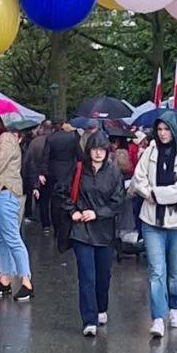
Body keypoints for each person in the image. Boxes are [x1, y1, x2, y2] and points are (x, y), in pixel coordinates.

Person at [131, 111, 177, 339]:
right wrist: (146, 192)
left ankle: (174, 307)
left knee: (175, 271)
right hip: (152, 219)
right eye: (159, 129)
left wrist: (156, 194)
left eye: (167, 129)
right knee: (156, 270)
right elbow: (138, 177)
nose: (163, 133)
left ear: (175, 129)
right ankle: (158, 317)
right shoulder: (150, 150)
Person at [58, 132, 124, 337]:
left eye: (101, 150)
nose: (98, 153)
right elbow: (61, 192)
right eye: (94, 149)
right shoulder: (77, 170)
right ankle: (89, 319)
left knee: (103, 276)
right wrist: (73, 211)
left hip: (104, 230)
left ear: (107, 152)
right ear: (88, 151)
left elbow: (118, 202)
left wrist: (97, 213)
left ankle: (101, 307)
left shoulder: (114, 174)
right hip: (81, 231)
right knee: (86, 275)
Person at [0, 116, 33, 300]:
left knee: (12, 238)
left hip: (4, 193)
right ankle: (5, 279)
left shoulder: (7, 140)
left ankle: (26, 281)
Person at [39, 118, 81, 235]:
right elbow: (79, 155)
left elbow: (45, 156)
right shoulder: (73, 137)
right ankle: (67, 220)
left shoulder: (51, 138)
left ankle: (56, 226)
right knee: (69, 196)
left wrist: (43, 172)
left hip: (54, 171)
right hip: (69, 170)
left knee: (55, 199)